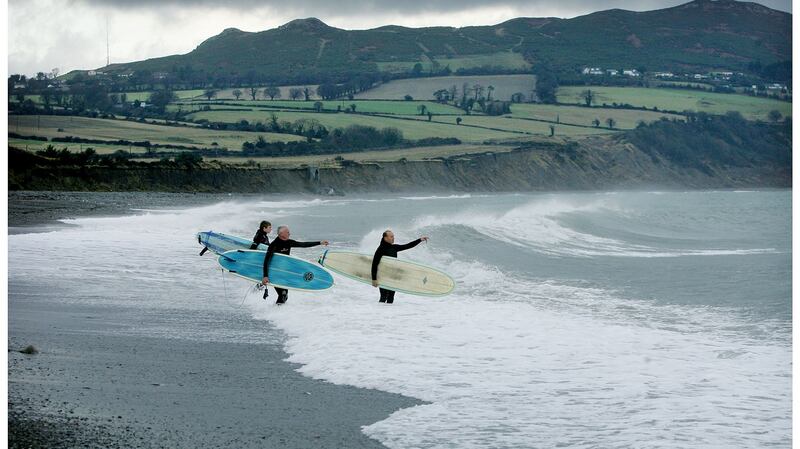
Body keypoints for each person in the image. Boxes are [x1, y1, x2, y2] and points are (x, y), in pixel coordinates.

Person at [262, 226, 329, 304]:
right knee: (282, 294)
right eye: (287, 232)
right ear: (281, 234)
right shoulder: (274, 244)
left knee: (285, 295)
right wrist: (265, 275)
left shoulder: (289, 242)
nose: (289, 233)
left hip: (285, 272)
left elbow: (303, 244)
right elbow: (267, 260)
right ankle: (274, 312)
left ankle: (277, 311)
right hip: (275, 272)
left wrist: (319, 243)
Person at [371, 230, 428, 304]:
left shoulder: (394, 248)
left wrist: (420, 240)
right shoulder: (381, 249)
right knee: (383, 297)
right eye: (391, 237)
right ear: (385, 238)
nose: (393, 238)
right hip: (383, 277)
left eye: (393, 236)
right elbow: (374, 264)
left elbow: (407, 246)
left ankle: (387, 315)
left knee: (391, 298)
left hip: (393, 277)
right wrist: (374, 279)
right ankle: (378, 313)